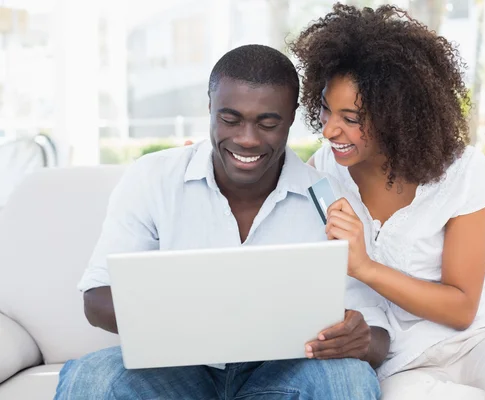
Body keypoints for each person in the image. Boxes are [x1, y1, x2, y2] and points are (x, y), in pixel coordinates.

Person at [290, 4, 485, 400]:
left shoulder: (461, 171)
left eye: (350, 117)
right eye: (327, 110)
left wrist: (365, 266)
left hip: (482, 335)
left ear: (395, 114)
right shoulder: (323, 172)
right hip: (400, 361)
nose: (330, 129)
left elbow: (462, 308)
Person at [54, 44, 391, 400]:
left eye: (268, 123)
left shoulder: (330, 196)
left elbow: (379, 335)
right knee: (93, 378)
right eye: (230, 119)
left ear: (292, 117)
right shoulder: (153, 177)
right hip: (175, 369)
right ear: (210, 106)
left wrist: (361, 337)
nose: (247, 138)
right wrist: (193, 323)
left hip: (282, 372)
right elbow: (97, 299)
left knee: (349, 380)